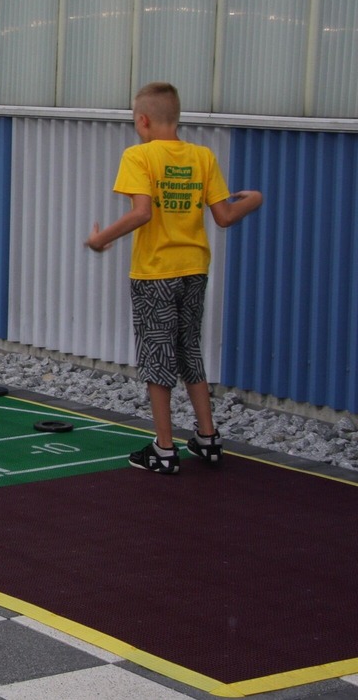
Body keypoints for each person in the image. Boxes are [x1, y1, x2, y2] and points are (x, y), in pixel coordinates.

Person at [86, 82, 263, 475]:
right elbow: (224, 216)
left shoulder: (139, 156)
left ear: (143, 120)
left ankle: (164, 449)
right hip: (194, 268)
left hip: (155, 272)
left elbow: (142, 212)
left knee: (157, 357)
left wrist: (100, 239)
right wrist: (255, 200)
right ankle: (208, 438)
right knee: (188, 350)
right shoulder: (202, 156)